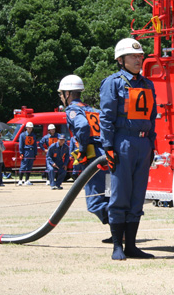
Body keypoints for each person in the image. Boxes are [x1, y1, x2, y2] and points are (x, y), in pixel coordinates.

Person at [99, 38, 157, 260]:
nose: (138, 59)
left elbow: (151, 117)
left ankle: (132, 245)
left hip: (143, 143)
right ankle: (117, 246)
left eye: (140, 56)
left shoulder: (148, 84)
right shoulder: (112, 83)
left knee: (137, 196)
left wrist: (151, 144)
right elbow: (106, 118)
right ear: (120, 60)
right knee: (120, 194)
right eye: (133, 56)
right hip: (122, 142)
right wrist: (108, 146)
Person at [58, 74, 110, 233]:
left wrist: (81, 150)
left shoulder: (73, 109)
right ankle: (119, 233)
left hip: (94, 157)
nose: (60, 97)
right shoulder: (93, 109)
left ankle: (120, 225)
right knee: (108, 196)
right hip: (106, 155)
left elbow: (82, 127)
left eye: (61, 94)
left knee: (95, 202)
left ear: (68, 94)